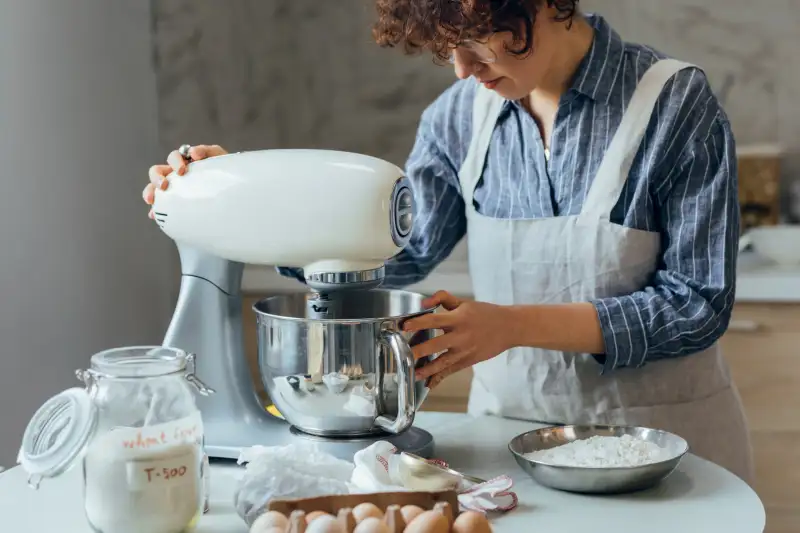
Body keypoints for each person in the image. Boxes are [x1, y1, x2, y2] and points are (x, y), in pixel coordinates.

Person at [143, 1, 753, 482]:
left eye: (474, 39)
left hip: (665, 452)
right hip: (510, 452)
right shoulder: (458, 118)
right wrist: (238, 196)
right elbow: (395, 256)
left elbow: (696, 305)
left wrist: (512, 326)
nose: (462, 69)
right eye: (446, 50)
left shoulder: (675, 105)